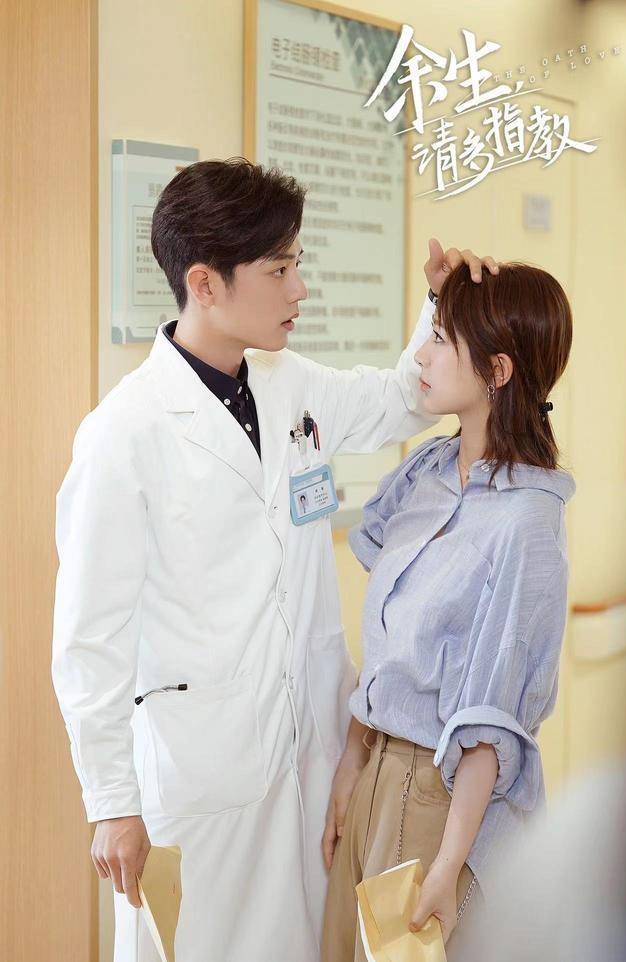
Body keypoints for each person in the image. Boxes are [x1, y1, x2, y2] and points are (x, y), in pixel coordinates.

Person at [50, 156, 497, 962]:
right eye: (279, 269)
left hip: (312, 754)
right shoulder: (125, 434)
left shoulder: (289, 385)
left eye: (298, 264)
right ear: (206, 283)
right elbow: (90, 637)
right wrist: (112, 802)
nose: (300, 288)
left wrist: (440, 304)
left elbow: (400, 398)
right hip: (203, 772)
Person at [321, 260, 576, 962]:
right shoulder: (428, 472)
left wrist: (447, 865)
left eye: (440, 340)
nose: (422, 357)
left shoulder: (526, 523)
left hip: (439, 805)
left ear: (497, 371)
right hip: (373, 776)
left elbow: (491, 726)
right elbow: (391, 644)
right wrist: (351, 765)